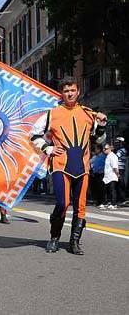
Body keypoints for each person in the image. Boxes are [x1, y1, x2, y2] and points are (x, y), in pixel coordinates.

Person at [30, 76, 107, 255]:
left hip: (82, 167)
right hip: (60, 165)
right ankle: (55, 237)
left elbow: (98, 140)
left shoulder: (89, 113)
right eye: (66, 91)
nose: (70, 93)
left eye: (72, 90)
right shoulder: (52, 113)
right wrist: (48, 148)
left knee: (80, 205)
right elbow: (34, 135)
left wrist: (102, 126)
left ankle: (74, 242)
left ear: (78, 91)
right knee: (63, 203)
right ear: (61, 93)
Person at [101, 144, 119, 210]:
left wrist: (118, 174)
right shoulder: (108, 156)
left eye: (105, 149)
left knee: (112, 190)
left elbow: (115, 167)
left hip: (112, 176)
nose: (104, 150)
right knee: (106, 190)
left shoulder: (113, 156)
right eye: (104, 148)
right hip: (107, 176)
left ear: (109, 149)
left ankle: (114, 204)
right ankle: (107, 202)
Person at [114, 137, 127, 205]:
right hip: (118, 169)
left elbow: (115, 157)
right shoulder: (119, 150)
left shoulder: (122, 150)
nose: (116, 144)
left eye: (118, 142)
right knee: (118, 184)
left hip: (120, 169)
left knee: (120, 184)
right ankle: (119, 199)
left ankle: (123, 199)